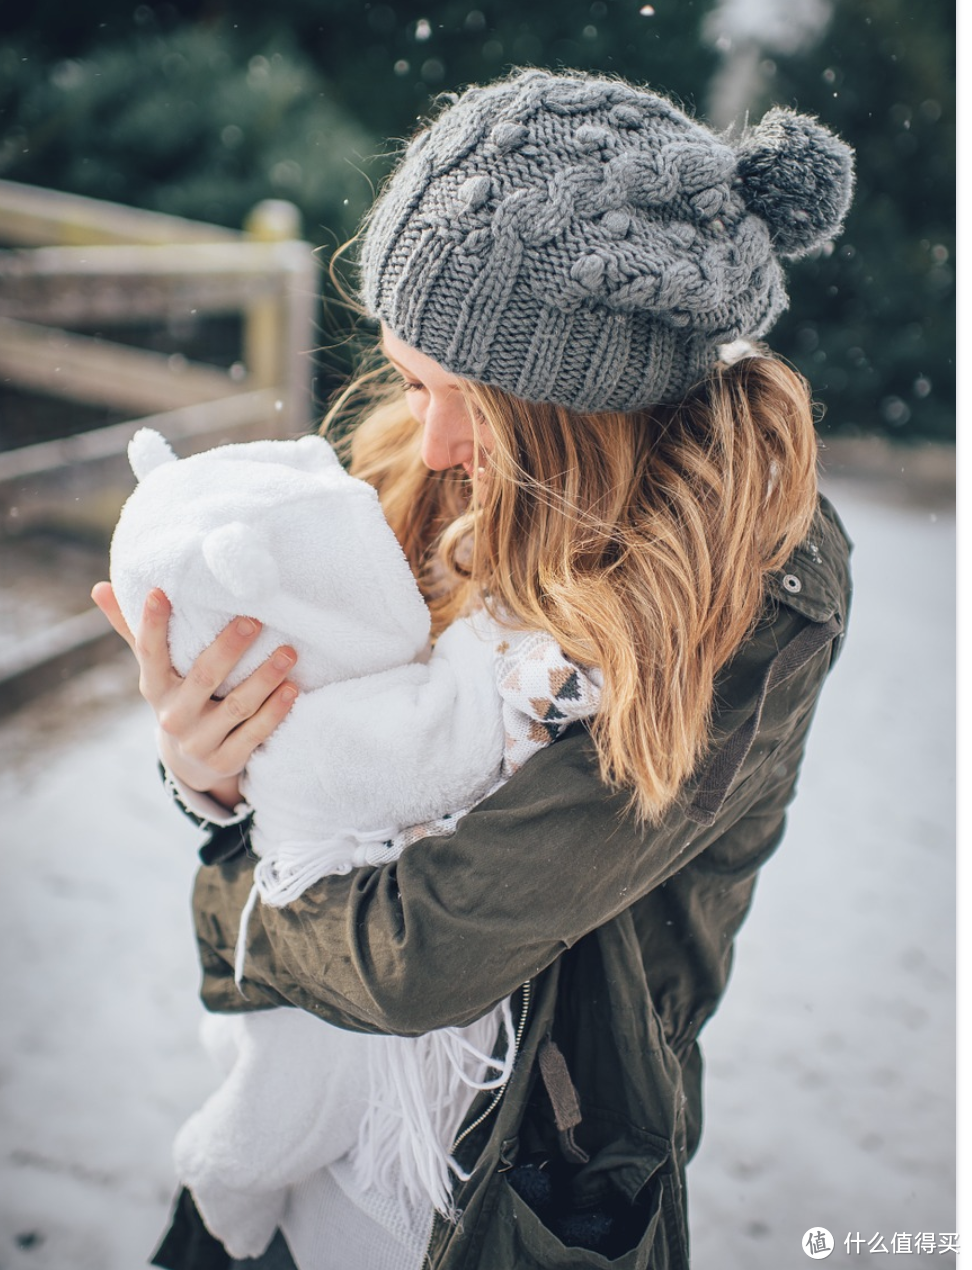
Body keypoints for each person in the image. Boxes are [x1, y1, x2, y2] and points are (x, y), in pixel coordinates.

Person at [93, 68, 854, 1270]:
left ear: (588, 407)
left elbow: (421, 956)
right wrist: (209, 766)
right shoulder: (429, 455)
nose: (430, 438)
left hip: (510, 1206)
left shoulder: (743, 590)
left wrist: (231, 904)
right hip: (289, 1168)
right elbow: (321, 731)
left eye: (473, 402)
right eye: (410, 375)